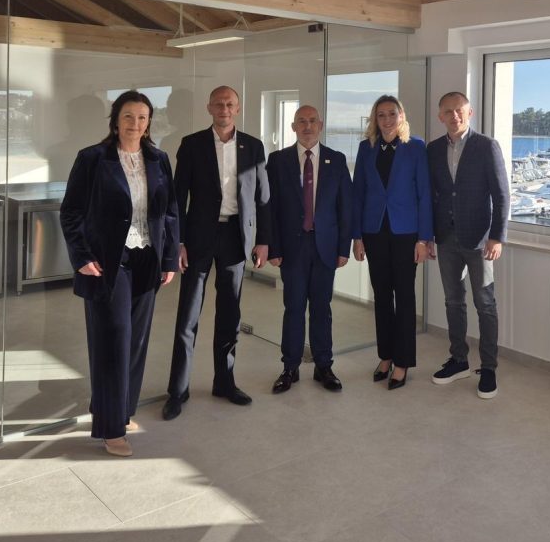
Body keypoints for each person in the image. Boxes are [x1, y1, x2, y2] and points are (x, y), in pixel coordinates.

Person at [59, 90, 179, 457]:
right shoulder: (93, 158)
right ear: (116, 120)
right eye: (129, 116)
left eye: (142, 117)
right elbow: (71, 211)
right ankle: (111, 429)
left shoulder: (158, 159)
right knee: (114, 340)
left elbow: (170, 213)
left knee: (136, 342)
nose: (135, 124)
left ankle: (120, 409)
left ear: (149, 122)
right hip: (107, 263)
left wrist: (169, 259)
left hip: (147, 259)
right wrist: (81, 256)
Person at [163, 85, 270, 420]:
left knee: (230, 314)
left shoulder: (253, 146)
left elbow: (263, 198)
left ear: (237, 108)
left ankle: (224, 382)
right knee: (188, 316)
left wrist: (263, 240)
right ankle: (177, 390)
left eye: (230, 104)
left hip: (235, 238)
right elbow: (178, 197)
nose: (224, 109)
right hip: (198, 238)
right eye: (219, 104)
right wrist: (178, 242)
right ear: (209, 107)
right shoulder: (191, 144)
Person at [426, 92, 509, 399]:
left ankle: (488, 368)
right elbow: (431, 195)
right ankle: (458, 360)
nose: (454, 116)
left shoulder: (486, 146)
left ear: (469, 112)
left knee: (485, 303)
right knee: (453, 301)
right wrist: (427, 235)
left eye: (459, 110)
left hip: (480, 240)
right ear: (440, 117)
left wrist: (497, 237)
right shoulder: (433, 149)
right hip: (446, 238)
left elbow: (502, 195)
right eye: (448, 112)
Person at [266, 105, 353, 394]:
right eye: (301, 121)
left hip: (325, 246)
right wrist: (273, 247)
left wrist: (343, 247)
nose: (307, 126)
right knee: (293, 307)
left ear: (321, 125)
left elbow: (345, 207)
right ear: (293, 127)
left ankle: (323, 366)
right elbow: (270, 208)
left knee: (321, 308)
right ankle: (289, 367)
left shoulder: (336, 160)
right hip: (292, 246)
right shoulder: (278, 160)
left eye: (312, 121)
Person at [351, 94, 432, 390]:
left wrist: (424, 238)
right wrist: (357, 236)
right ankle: (385, 356)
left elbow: (424, 195)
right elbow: (358, 193)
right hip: (374, 232)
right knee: (382, 297)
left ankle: (402, 362)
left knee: (405, 296)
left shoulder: (416, 147)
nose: (386, 119)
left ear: (401, 116)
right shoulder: (366, 148)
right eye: (381, 114)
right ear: (375, 119)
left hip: (406, 234)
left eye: (391, 114)